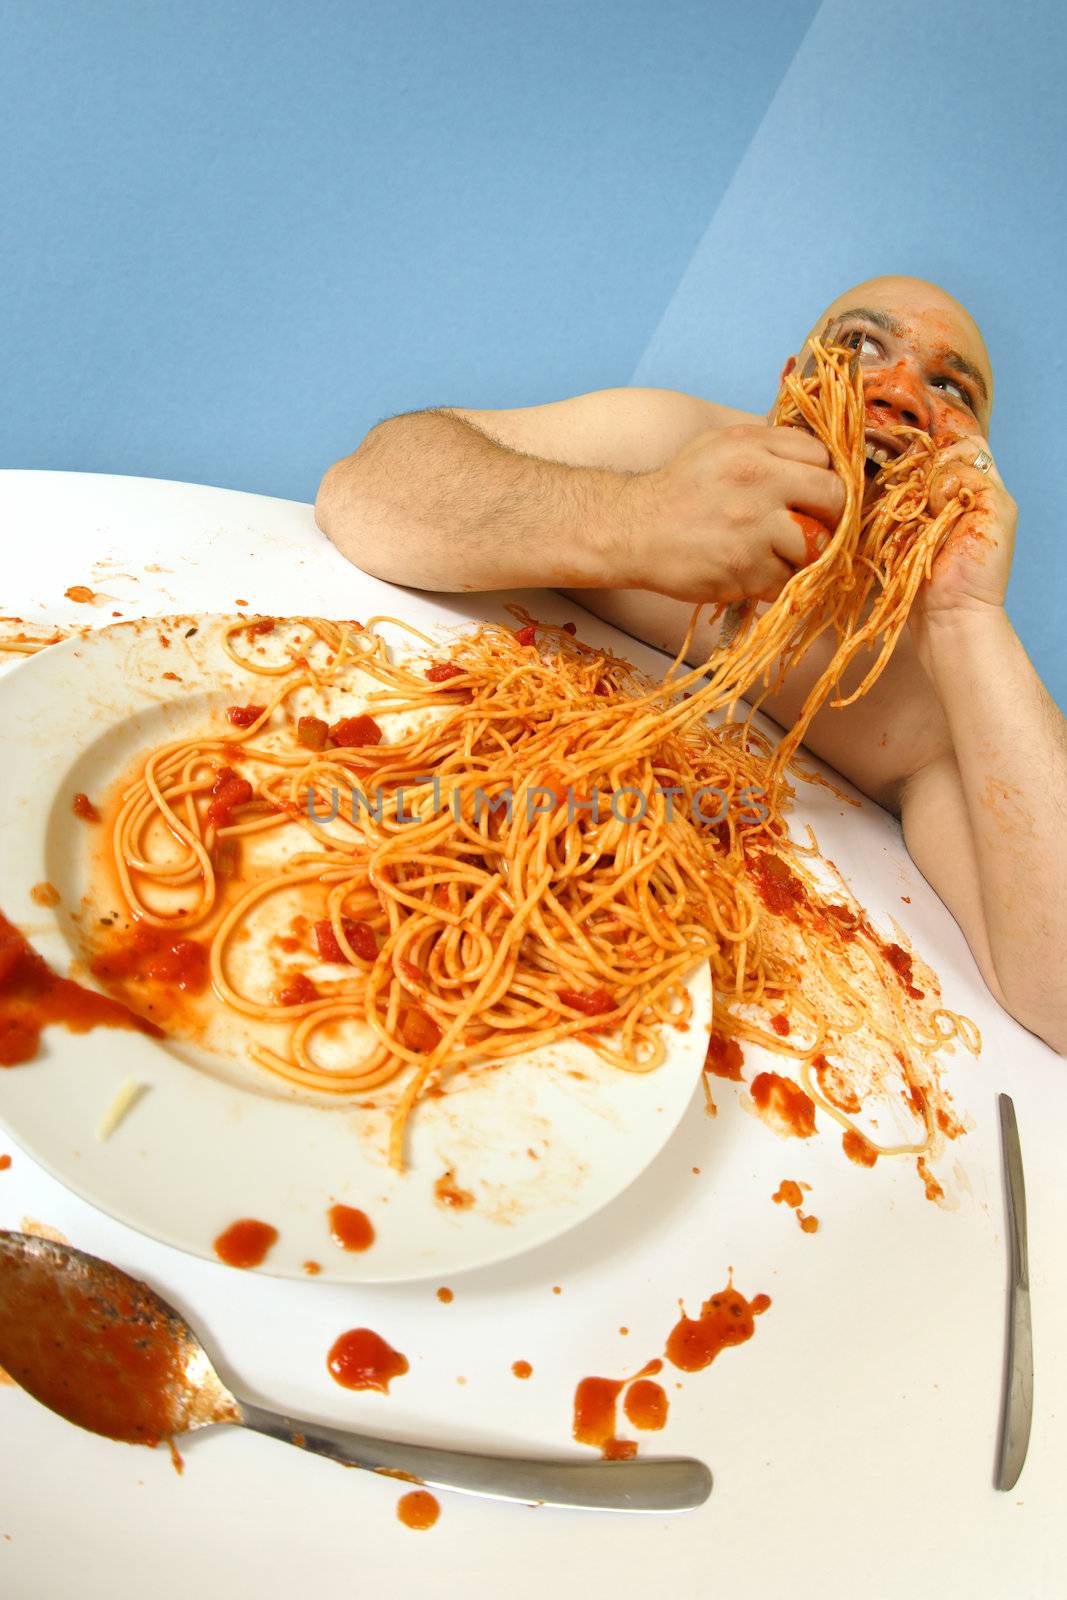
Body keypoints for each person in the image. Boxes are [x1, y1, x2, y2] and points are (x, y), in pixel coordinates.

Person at [315, 275, 1067, 1055]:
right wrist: (635, 520)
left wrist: (966, 615)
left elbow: (1058, 996)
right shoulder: (668, 447)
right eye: (860, 347)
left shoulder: (917, 673)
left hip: (667, 1013)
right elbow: (361, 489)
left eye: (949, 388)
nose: (901, 393)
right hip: (393, 808)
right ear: (792, 381)